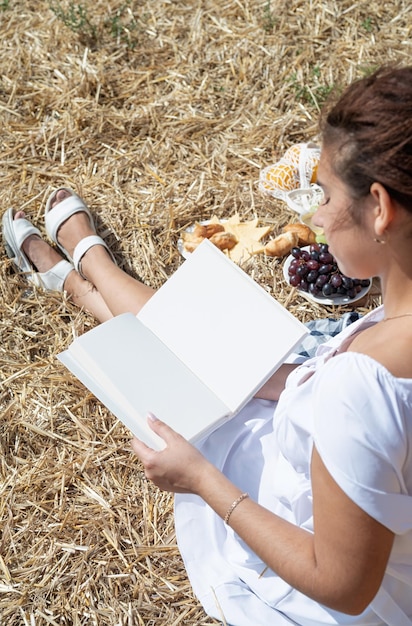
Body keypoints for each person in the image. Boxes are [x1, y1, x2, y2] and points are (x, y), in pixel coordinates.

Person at [3, 65, 412, 626]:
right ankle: (83, 274)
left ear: (382, 209)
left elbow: (342, 585)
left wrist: (198, 479)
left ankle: (82, 271)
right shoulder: (391, 330)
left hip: (309, 546)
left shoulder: (359, 391)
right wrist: (289, 379)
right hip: (339, 463)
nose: (315, 221)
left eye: (325, 195)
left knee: (175, 356)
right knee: (195, 339)